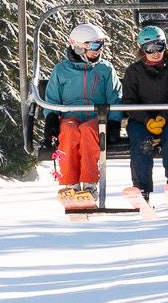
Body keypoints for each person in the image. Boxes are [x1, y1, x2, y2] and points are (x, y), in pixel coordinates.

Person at [44, 20, 120, 207]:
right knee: (68, 132)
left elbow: (115, 96)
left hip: (97, 118)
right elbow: (52, 98)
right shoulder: (61, 70)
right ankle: (70, 184)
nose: (98, 50)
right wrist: (51, 118)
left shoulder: (105, 69)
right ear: (79, 48)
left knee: (88, 131)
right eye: (94, 45)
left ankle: (89, 184)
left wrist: (115, 122)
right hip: (70, 117)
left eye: (101, 45)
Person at [121, 24, 168, 203]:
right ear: (142, 50)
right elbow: (128, 101)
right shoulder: (134, 72)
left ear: (164, 46)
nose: (155, 52)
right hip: (141, 119)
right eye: (149, 48)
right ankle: (142, 187)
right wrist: (147, 119)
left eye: (158, 47)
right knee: (141, 143)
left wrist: (163, 117)